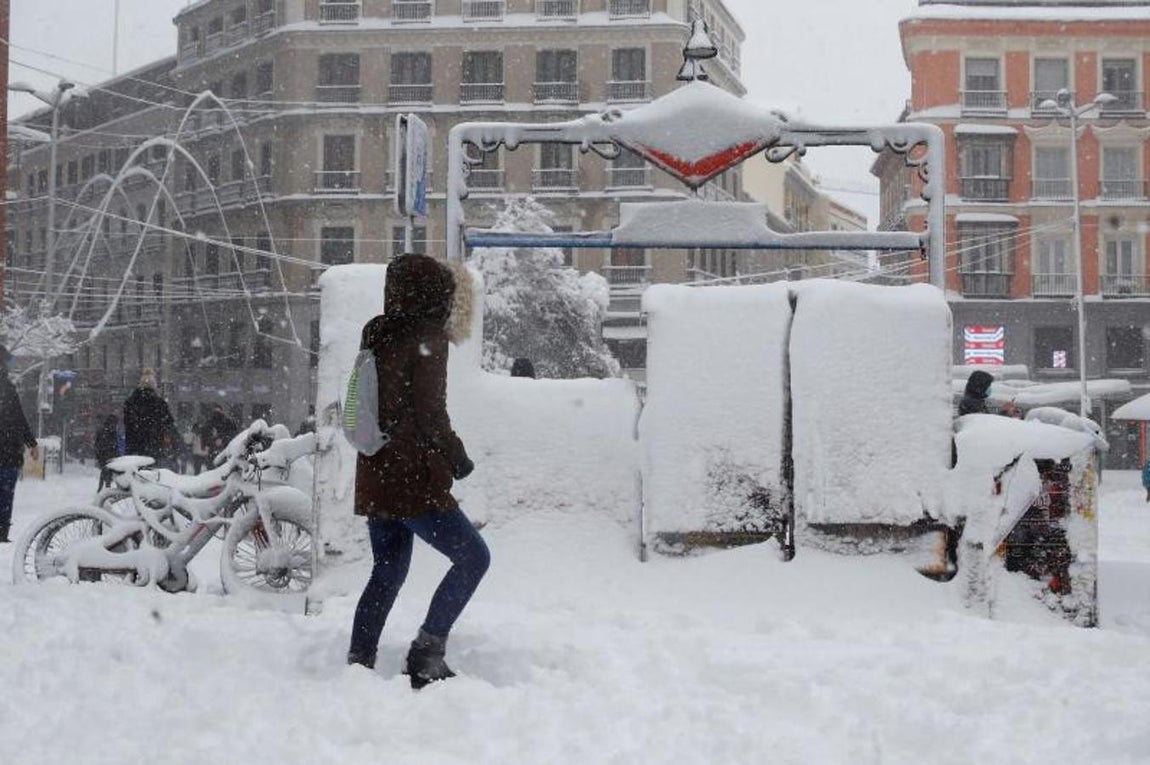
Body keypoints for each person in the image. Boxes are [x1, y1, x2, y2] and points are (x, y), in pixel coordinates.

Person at [347, 253, 488, 689]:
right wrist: (458, 458)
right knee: (473, 558)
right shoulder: (427, 337)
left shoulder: (378, 331)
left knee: (387, 571)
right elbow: (430, 413)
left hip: (376, 469)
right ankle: (427, 652)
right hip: (411, 476)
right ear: (435, 294)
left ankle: (358, 661)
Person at [0, 344, 38, 543]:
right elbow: (19, 418)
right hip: (8, 451)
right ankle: (2, 530)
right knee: (6, 494)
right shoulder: (8, 389)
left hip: (8, 449)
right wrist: (31, 443)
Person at [123, 368, 179, 466]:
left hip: (134, 448)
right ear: (154, 386)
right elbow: (169, 424)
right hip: (154, 448)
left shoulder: (130, 403)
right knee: (151, 476)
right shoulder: (160, 404)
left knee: (135, 475)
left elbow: (127, 424)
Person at [94, 413, 121, 491]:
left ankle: (101, 490)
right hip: (108, 456)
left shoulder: (103, 430)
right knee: (109, 474)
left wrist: (98, 457)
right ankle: (106, 491)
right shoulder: (110, 431)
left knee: (104, 474)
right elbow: (113, 445)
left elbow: (97, 445)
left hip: (104, 456)